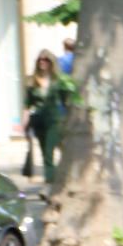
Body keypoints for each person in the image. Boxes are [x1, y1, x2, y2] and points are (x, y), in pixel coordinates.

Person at [21, 51, 70, 183]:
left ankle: (49, 183)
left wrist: (67, 121)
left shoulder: (58, 80)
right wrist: (25, 126)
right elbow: (27, 105)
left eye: (46, 60)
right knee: (44, 153)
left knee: (49, 152)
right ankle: (52, 180)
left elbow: (66, 101)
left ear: (51, 62)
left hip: (55, 120)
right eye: (41, 59)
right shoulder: (32, 81)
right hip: (39, 121)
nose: (43, 62)